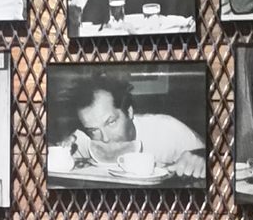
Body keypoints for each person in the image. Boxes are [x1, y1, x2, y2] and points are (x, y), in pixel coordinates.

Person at [61, 73, 205, 179]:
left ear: (129, 112)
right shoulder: (82, 141)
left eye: (111, 122)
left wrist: (201, 156)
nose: (104, 139)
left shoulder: (168, 129)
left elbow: (207, 153)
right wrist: (62, 150)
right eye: (93, 130)